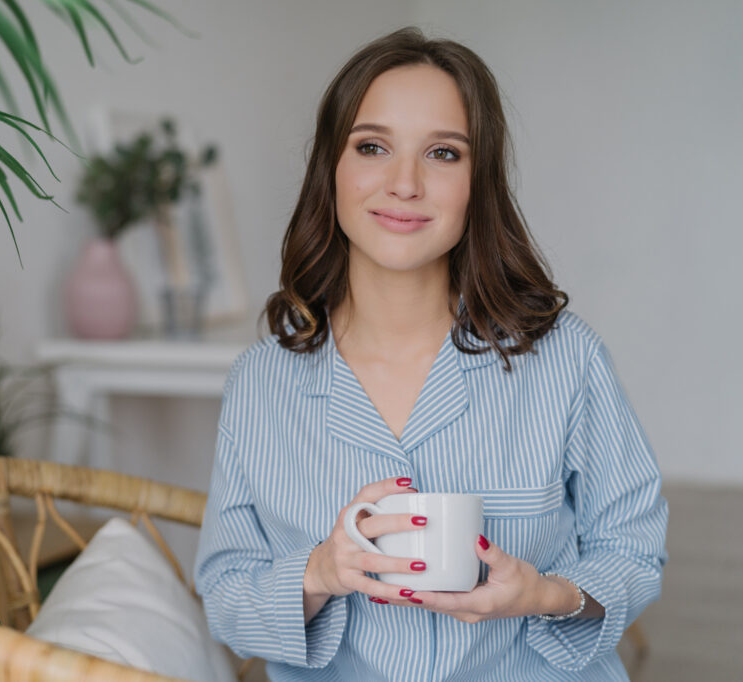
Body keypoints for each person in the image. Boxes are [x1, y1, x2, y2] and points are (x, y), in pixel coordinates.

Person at [193, 26, 668, 681]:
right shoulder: (261, 382)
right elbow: (225, 595)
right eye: (373, 147)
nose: (404, 182)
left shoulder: (565, 359)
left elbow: (634, 550)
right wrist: (321, 572)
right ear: (330, 169)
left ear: (479, 183)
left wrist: (543, 593)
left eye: (443, 153)